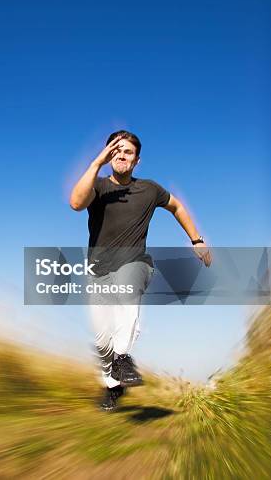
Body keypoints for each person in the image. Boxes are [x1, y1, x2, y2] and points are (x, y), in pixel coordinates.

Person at [69, 130, 212, 411]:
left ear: (137, 160)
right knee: (101, 338)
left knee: (129, 284)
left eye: (128, 151)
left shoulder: (149, 189)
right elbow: (76, 203)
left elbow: (177, 206)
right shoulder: (97, 186)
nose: (122, 155)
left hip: (135, 262)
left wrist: (197, 240)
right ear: (109, 155)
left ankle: (122, 359)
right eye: (116, 150)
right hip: (98, 270)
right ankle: (113, 384)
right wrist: (95, 163)